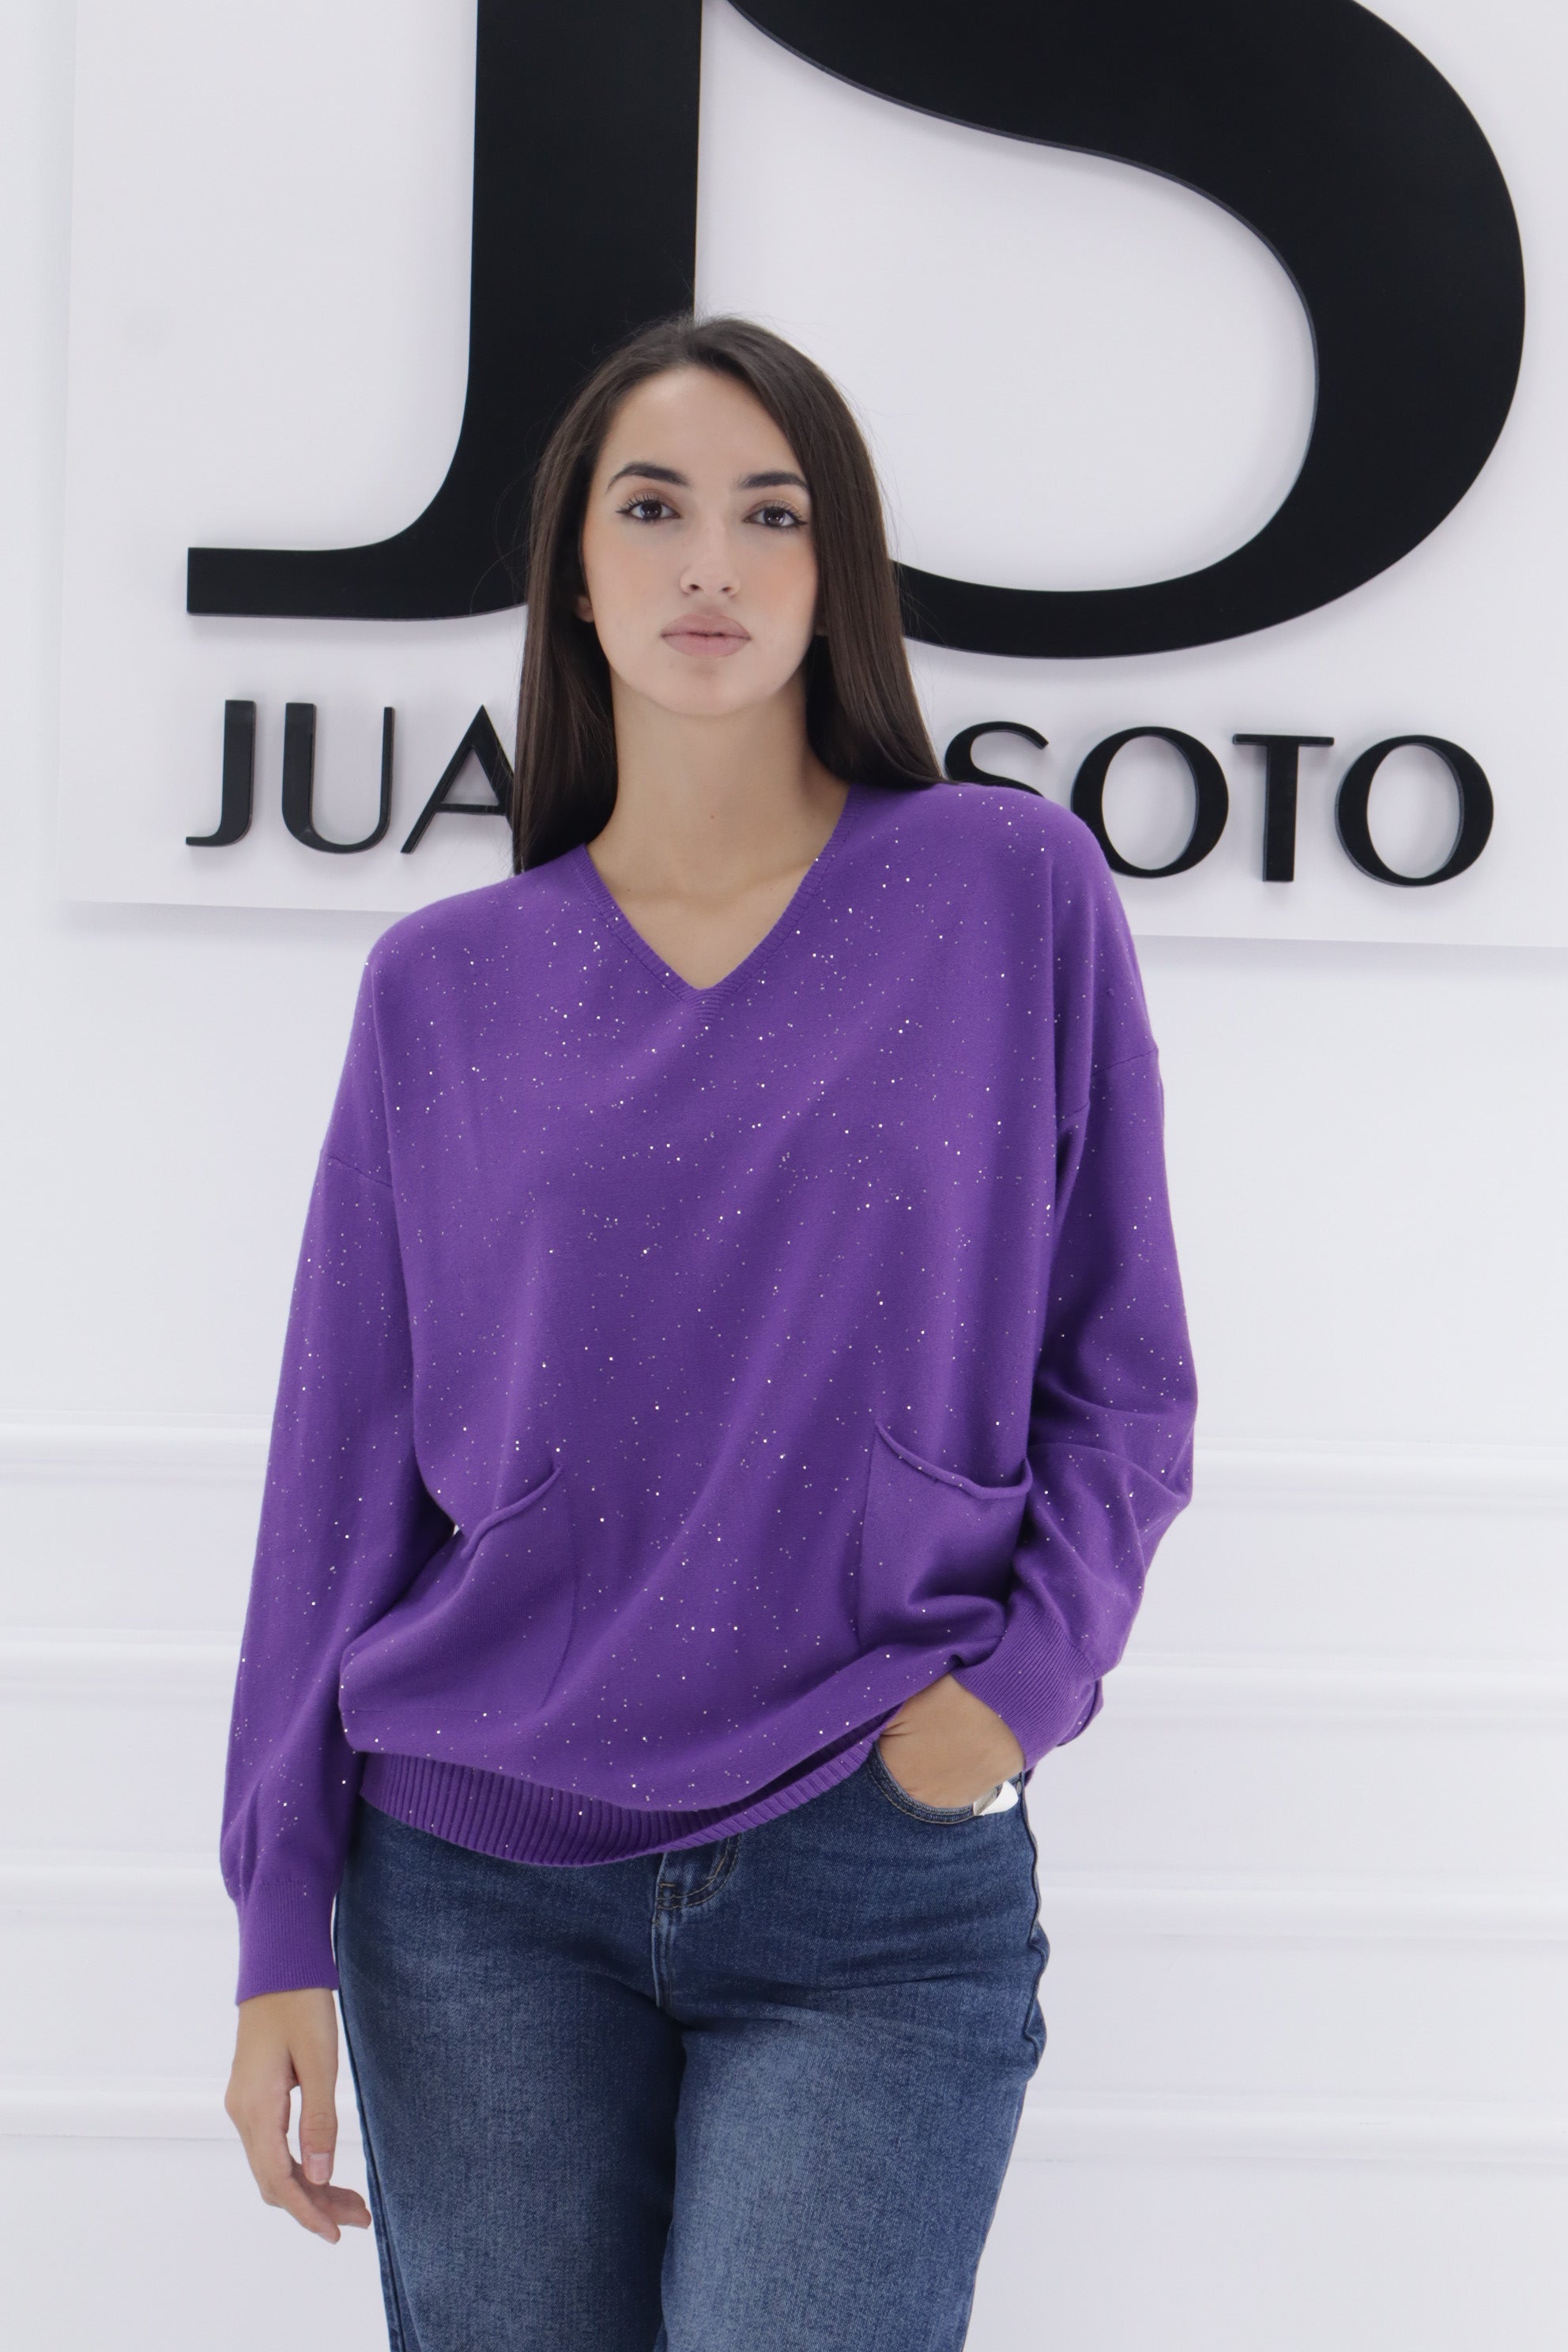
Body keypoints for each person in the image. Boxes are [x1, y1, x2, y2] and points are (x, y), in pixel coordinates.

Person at [220, 313, 1197, 2350]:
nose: (711, 566)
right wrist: (275, 1916)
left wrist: (1019, 1691)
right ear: (574, 573)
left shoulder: (1007, 888)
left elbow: (1123, 1373)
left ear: (839, 571)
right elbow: (339, 1478)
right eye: (652, 510)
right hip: (475, 1891)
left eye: (773, 515)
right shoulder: (443, 983)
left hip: (874, 1867)